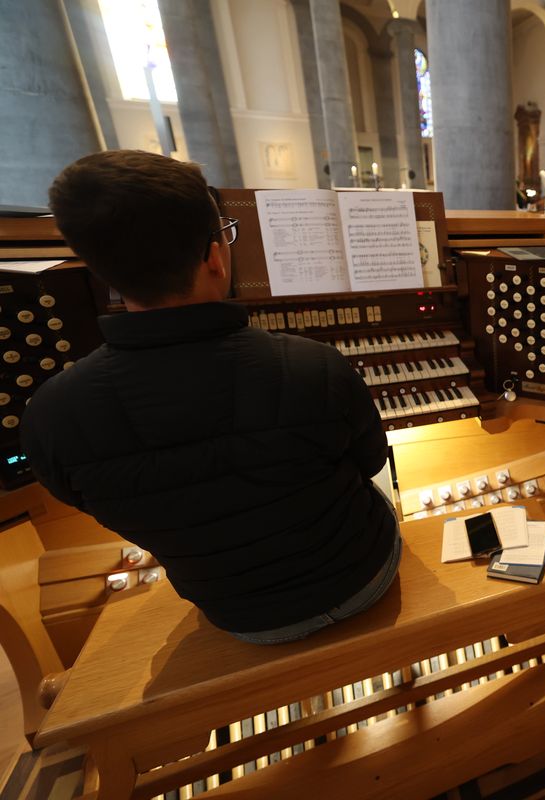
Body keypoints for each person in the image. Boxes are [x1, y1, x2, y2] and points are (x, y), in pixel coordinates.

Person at [22, 150, 400, 644]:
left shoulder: (50, 416)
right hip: (363, 581)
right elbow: (371, 460)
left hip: (236, 614)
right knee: (383, 487)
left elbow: (92, 498)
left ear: (102, 273)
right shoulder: (314, 366)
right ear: (214, 257)